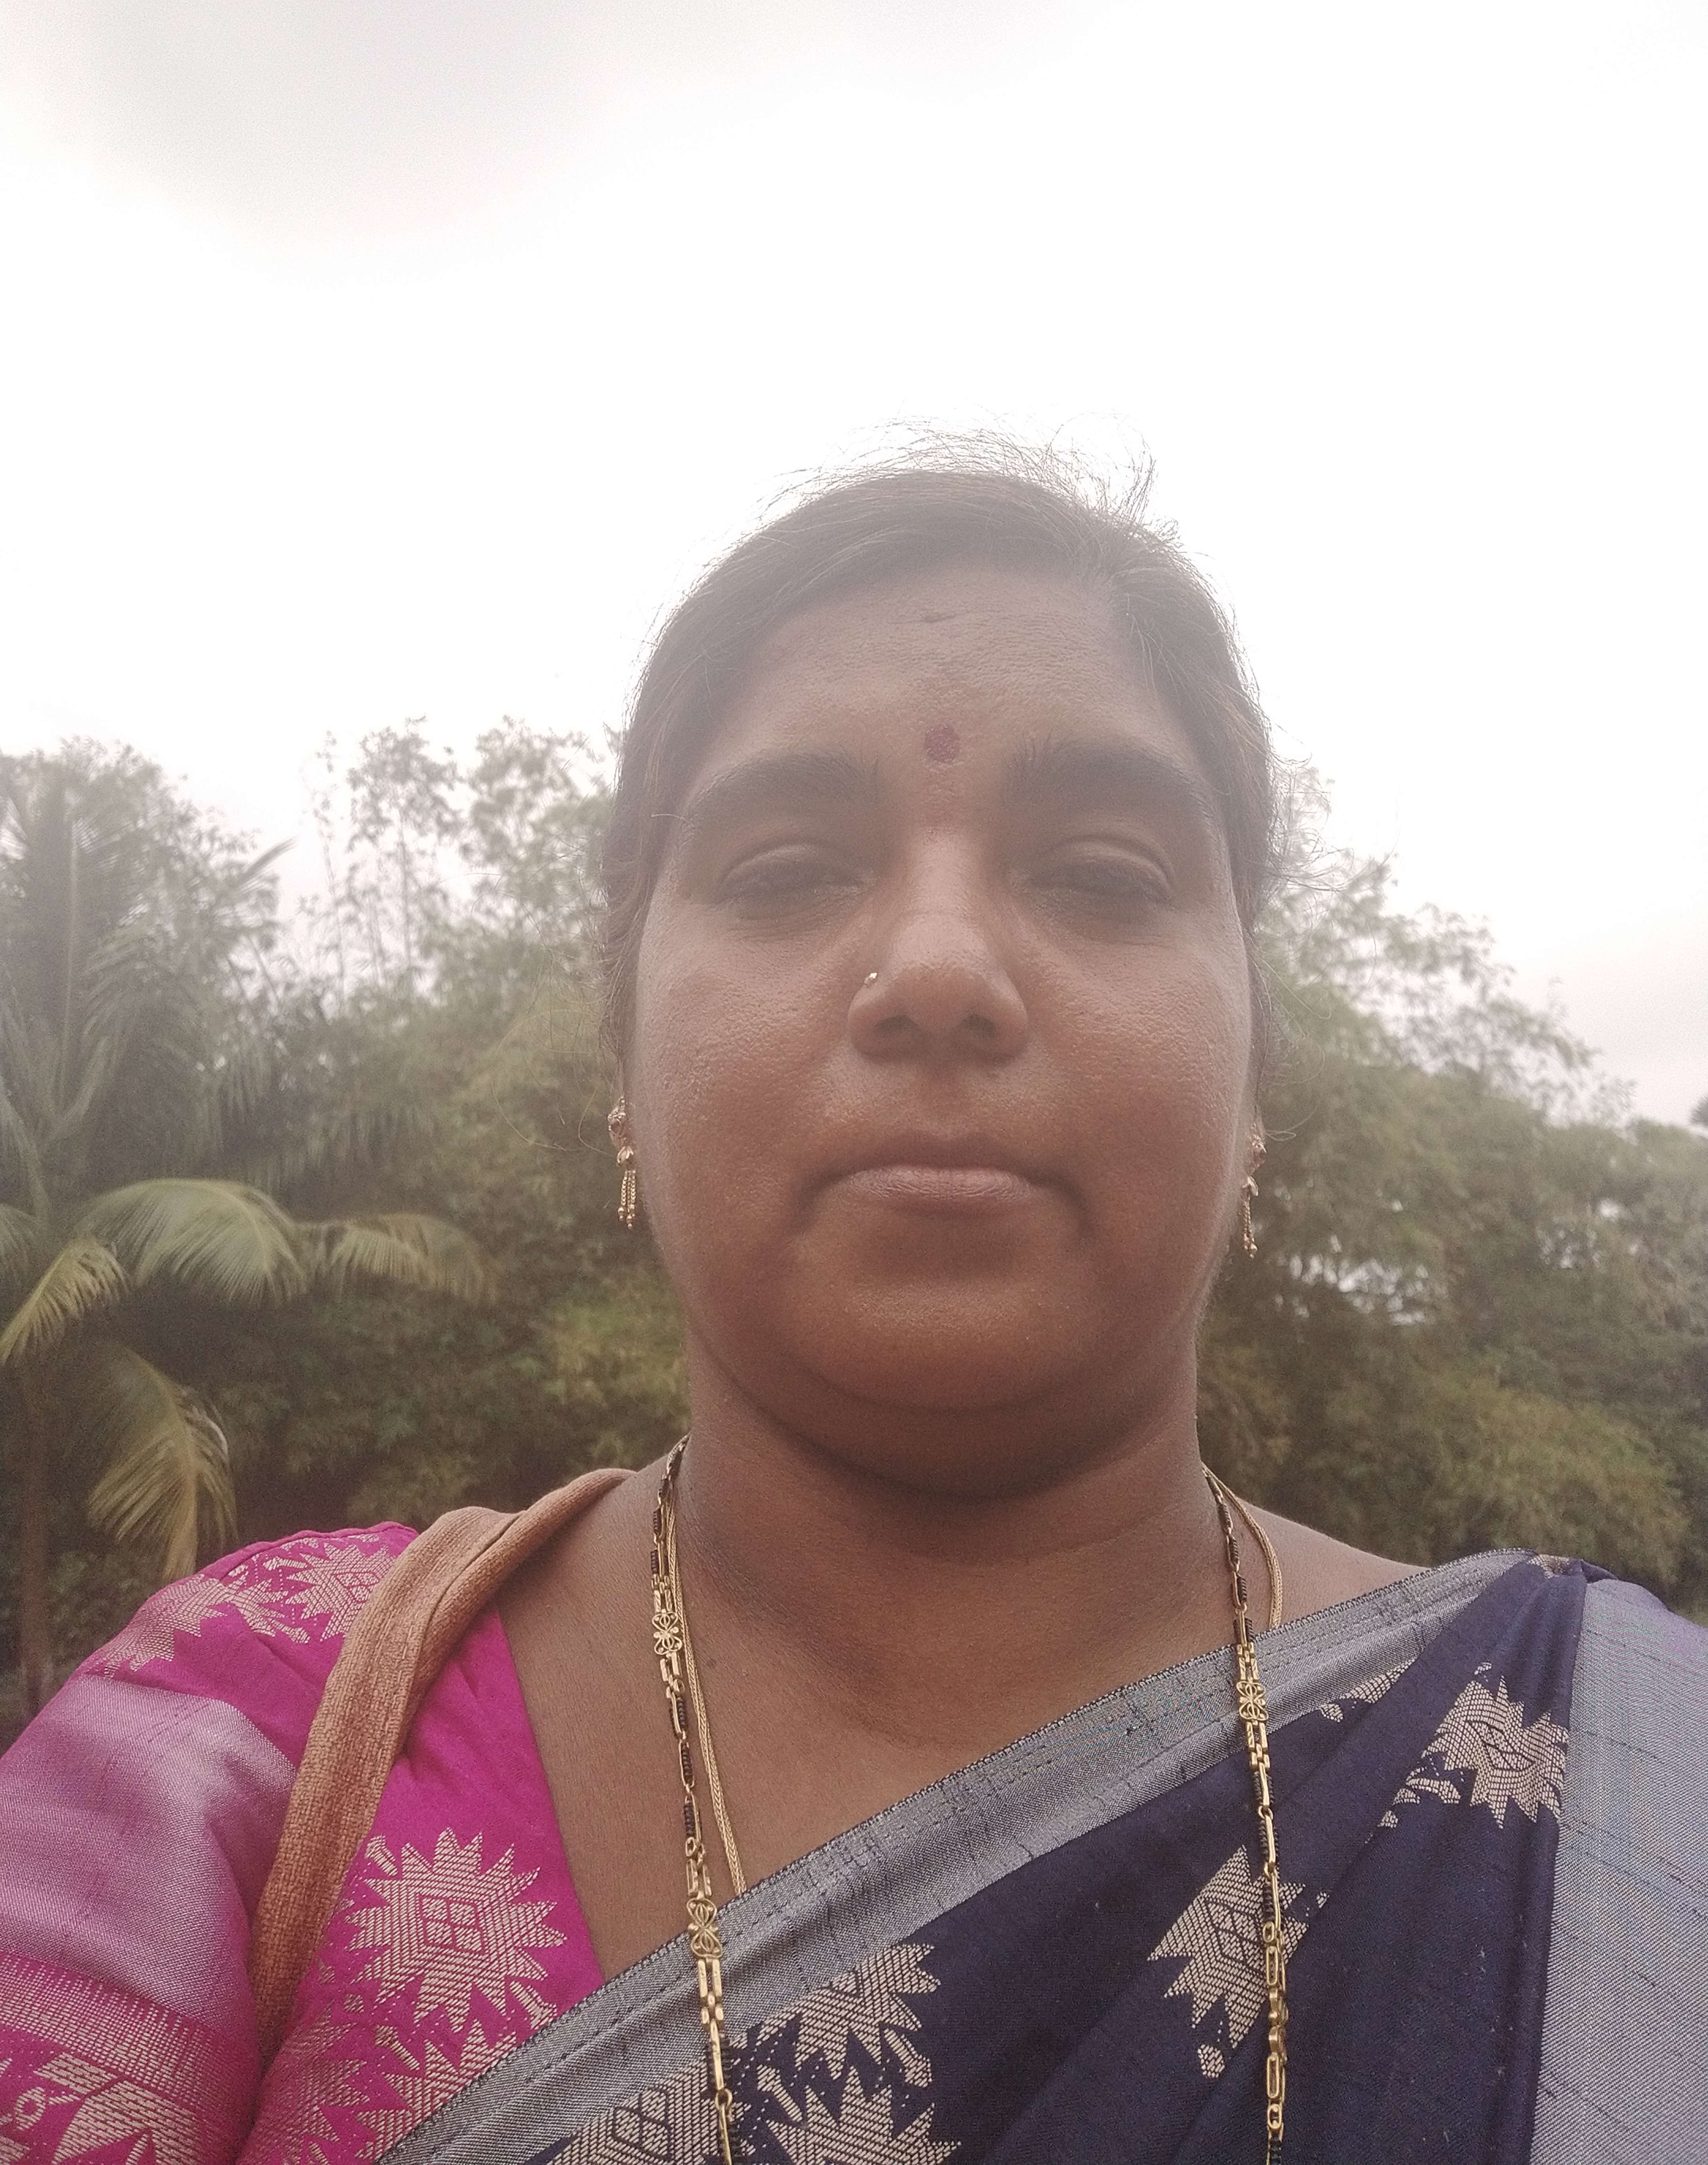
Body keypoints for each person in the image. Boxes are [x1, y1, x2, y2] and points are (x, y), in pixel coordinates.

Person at [0, 446, 1701, 2165]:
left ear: (1255, 1074)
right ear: (622, 1070)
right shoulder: (259, 1744)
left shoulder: (1627, 1791)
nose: (941, 972)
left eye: (1105, 873)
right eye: (786, 870)